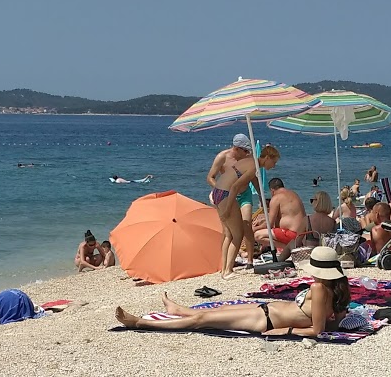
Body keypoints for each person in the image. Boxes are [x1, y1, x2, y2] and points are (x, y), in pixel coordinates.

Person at [115, 247, 353, 338]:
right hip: (265, 312)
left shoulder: (319, 288)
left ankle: (142, 323)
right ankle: (178, 310)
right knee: (216, 310)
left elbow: (317, 329)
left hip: (265, 319)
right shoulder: (335, 288)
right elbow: (328, 322)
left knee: (201, 321)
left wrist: (286, 330)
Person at [206, 133, 257, 275]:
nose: (247, 153)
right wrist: (219, 190)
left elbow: (253, 178)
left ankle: (250, 261)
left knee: (246, 224)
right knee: (228, 231)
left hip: (244, 194)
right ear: (236, 148)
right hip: (226, 196)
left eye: (248, 151)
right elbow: (210, 177)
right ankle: (225, 266)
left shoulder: (247, 159)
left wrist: (261, 196)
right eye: (245, 151)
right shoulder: (222, 157)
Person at [255, 177, 308, 257]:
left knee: (258, 235)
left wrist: (253, 229)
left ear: (272, 190)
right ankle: (290, 247)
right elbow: (286, 215)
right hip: (302, 235)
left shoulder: (276, 198)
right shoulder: (293, 194)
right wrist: (262, 220)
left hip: (292, 235)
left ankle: (289, 248)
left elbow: (269, 225)